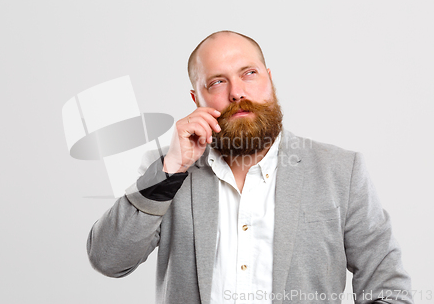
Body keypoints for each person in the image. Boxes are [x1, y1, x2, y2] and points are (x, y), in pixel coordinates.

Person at [87, 31, 413, 304]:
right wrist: (171, 169)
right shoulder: (166, 170)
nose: (237, 92)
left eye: (249, 73)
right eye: (217, 82)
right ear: (196, 98)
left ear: (269, 79)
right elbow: (109, 259)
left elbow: (389, 290)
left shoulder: (341, 170)